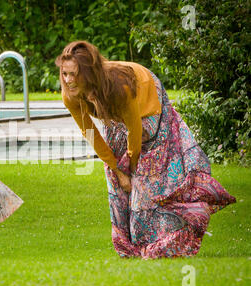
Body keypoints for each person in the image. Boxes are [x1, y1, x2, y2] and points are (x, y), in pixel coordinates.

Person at [55, 40, 236, 259]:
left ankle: (172, 234)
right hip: (116, 114)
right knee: (114, 172)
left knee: (145, 177)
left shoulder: (119, 86)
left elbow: (134, 131)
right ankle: (127, 245)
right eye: (64, 74)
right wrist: (119, 171)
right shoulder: (70, 94)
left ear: (88, 72)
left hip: (147, 94)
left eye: (73, 74)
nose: (68, 80)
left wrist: (131, 167)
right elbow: (91, 133)